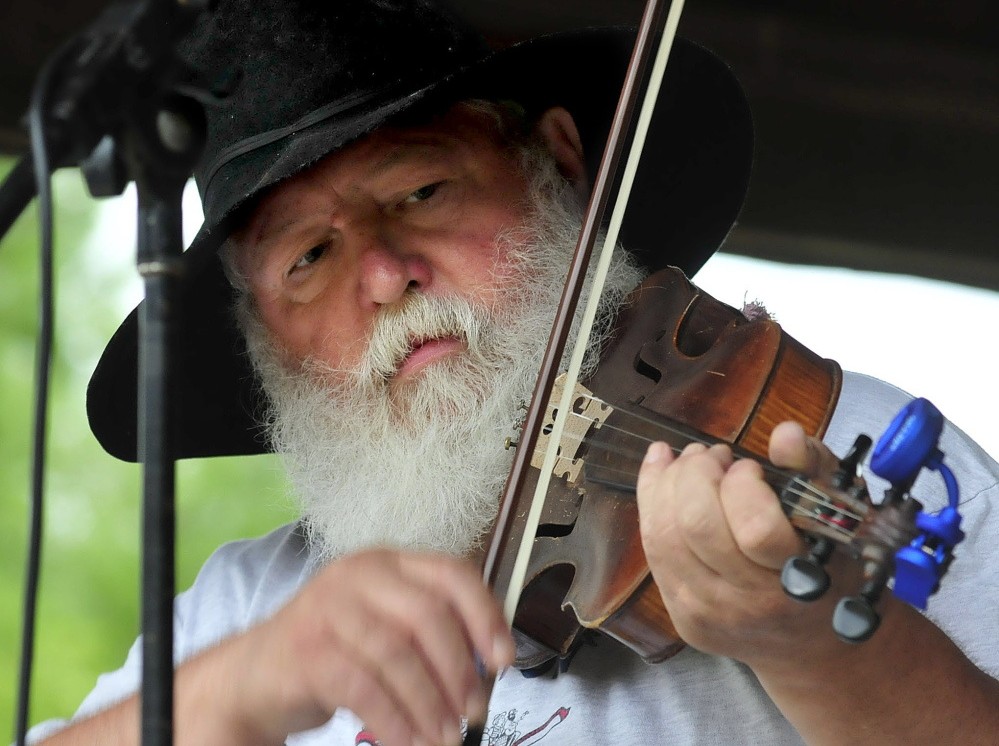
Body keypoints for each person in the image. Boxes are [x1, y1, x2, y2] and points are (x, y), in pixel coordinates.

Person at [31, 0, 999, 744]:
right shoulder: (255, 599)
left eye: (422, 190)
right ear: (263, 342)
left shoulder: (837, 438)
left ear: (561, 164)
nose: (382, 274)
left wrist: (814, 643)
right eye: (308, 258)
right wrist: (244, 684)